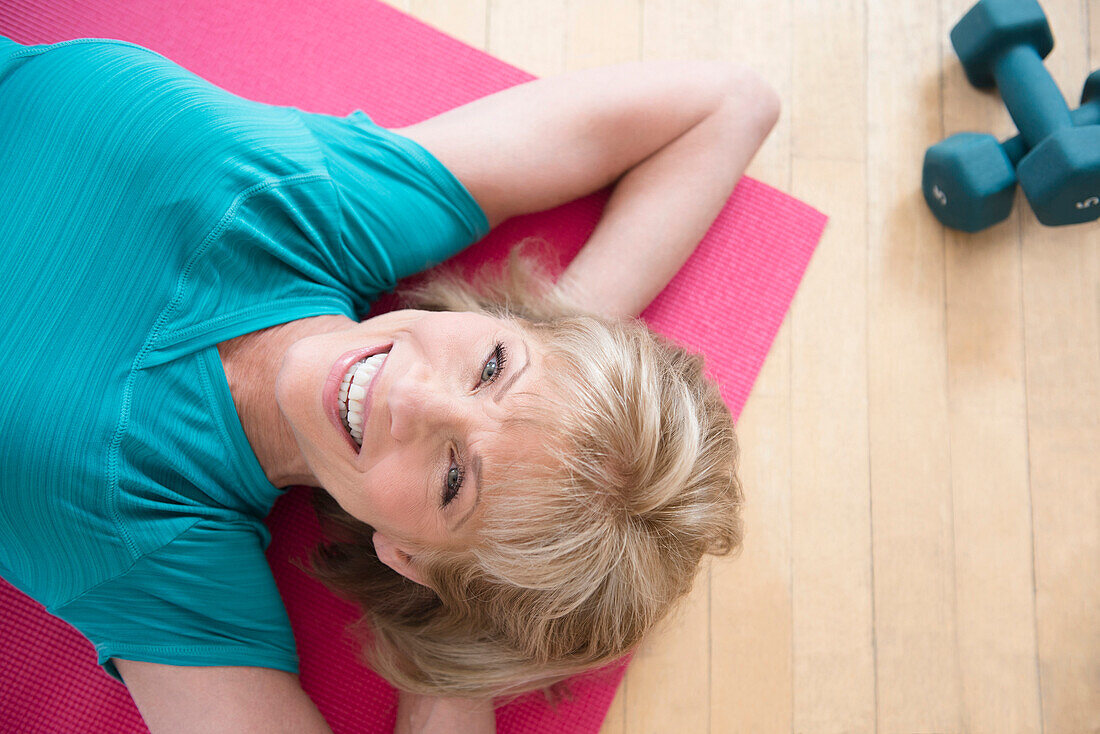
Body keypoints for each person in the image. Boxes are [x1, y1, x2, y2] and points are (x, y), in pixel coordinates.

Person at [0, 35, 779, 733]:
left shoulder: (156, 546)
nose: (411, 394)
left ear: (407, 560)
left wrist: (446, 648)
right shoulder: (327, 206)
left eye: (451, 480)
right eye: (493, 367)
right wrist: (565, 336)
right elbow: (732, 104)